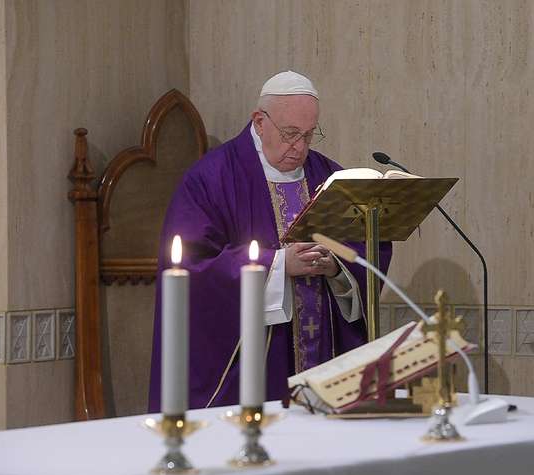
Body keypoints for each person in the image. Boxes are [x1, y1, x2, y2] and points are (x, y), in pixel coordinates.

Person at [148, 71, 392, 411]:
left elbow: (369, 245)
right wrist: (277, 265)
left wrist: (336, 264)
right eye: (291, 134)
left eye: (309, 135)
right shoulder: (212, 179)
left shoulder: (328, 176)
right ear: (259, 121)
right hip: (257, 365)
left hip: (323, 354)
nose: (301, 147)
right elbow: (191, 265)